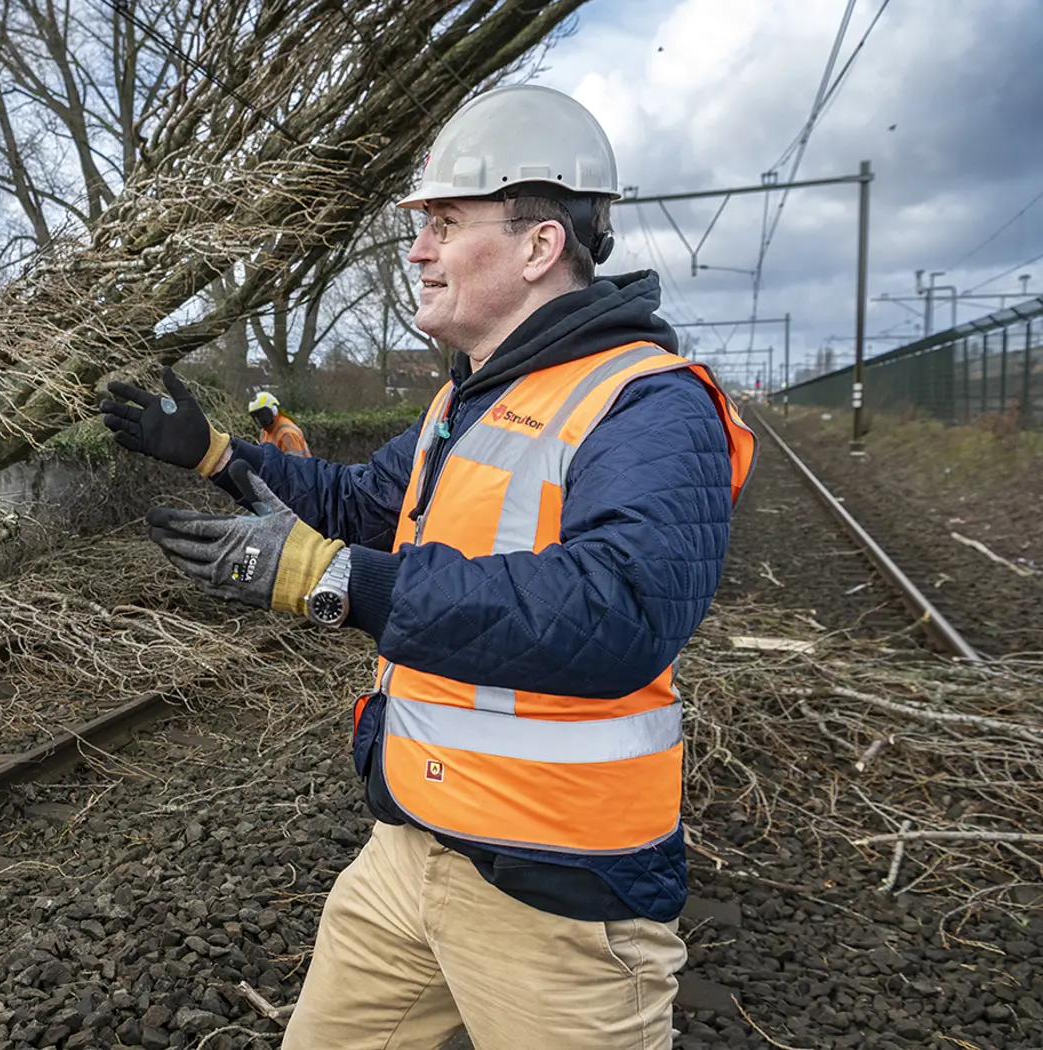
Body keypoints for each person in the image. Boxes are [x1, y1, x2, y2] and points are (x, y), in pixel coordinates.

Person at [102, 83, 756, 1049]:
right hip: (413, 846)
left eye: (445, 224)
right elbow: (365, 504)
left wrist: (336, 581)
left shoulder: (648, 405)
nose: (417, 249)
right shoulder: (470, 402)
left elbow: (619, 612)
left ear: (538, 248)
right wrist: (214, 454)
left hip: (560, 891)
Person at [247, 391, 310, 457]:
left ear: (274, 410)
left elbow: (295, 465)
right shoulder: (265, 432)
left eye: (263, 415)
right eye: (257, 416)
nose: (260, 420)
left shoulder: (287, 435)